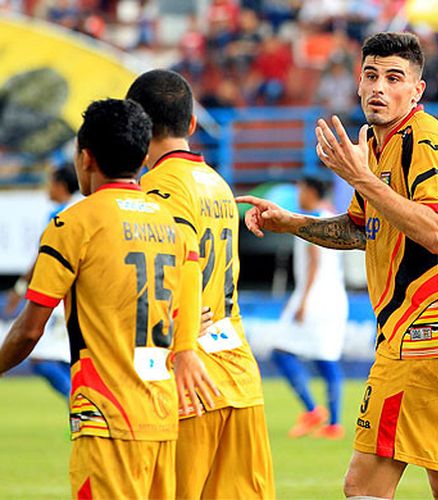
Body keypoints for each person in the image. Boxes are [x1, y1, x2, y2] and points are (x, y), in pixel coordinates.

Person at [238, 32, 438, 499]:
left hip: (424, 336)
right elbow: (359, 230)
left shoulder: (424, 138)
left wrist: (361, 178)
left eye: (394, 78)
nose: (379, 87)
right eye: (371, 75)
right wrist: (292, 222)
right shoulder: (374, 145)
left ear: (416, 91)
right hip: (436, 341)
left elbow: (436, 231)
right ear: (357, 82)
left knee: (363, 487)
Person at [0, 98, 215, 498]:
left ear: (86, 158)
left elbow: (30, 331)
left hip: (105, 417)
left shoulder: (72, 224)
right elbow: (190, 313)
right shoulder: (174, 227)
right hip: (163, 415)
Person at [127, 69, 274, 499]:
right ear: (191, 125)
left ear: (138, 122)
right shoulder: (218, 184)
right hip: (240, 375)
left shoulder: (157, 187)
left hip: (189, 380)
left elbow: (176, 267)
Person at [272, 176, 348, 440]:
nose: (297, 194)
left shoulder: (309, 221)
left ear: (311, 191)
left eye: (300, 189)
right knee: (326, 359)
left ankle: (313, 410)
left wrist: (302, 300)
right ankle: (334, 423)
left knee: (281, 352)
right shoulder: (333, 216)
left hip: (315, 297)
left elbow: (314, 261)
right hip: (335, 297)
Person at [3, 166, 82, 399]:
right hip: (78, 293)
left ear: (61, 185)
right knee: (68, 358)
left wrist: (19, 289)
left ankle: (78, 403)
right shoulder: (81, 206)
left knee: (41, 358)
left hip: (63, 294)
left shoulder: (61, 215)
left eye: (51, 182)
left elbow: (43, 257)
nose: (48, 187)